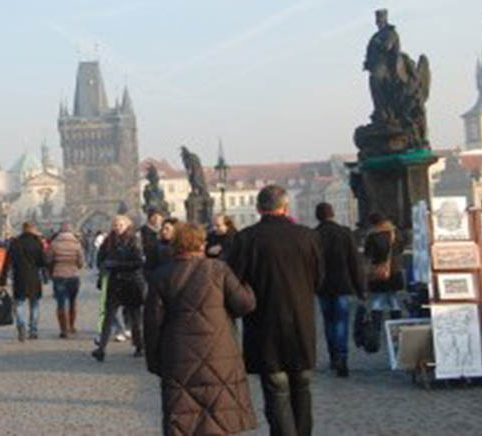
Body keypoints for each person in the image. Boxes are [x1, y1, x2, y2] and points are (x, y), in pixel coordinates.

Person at [145, 222, 258, 435]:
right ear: (201, 244)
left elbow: (152, 324)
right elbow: (244, 305)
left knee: (185, 417)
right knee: (219, 415)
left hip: (179, 354)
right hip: (219, 352)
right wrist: (248, 288)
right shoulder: (218, 269)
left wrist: (155, 361)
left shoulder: (161, 276)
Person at [228, 185, 322, 436]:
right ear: (285, 206)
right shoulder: (308, 236)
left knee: (276, 386)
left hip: (263, 323)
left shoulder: (246, 239)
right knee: (302, 384)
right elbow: (319, 279)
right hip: (301, 321)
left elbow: (233, 283)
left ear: (259, 209)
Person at [314, 202, 365, 377]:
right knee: (341, 322)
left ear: (317, 216)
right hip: (343, 284)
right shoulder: (345, 233)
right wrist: (361, 288)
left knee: (328, 322)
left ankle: (333, 356)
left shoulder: (314, 235)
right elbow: (355, 262)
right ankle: (343, 357)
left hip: (323, 286)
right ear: (333, 214)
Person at [92, 214, 145, 362]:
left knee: (135, 316)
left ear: (127, 225)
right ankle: (101, 348)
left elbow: (138, 262)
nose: (117, 227)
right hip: (114, 283)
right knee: (108, 316)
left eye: (120, 225)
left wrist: (115, 265)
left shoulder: (134, 240)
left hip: (131, 282)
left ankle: (139, 346)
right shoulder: (108, 241)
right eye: (115, 225)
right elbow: (100, 259)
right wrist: (103, 266)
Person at [0, 222, 46, 341]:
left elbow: (7, 262)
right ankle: (33, 330)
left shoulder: (15, 242)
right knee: (34, 304)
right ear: (33, 229)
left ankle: (21, 326)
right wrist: (45, 275)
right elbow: (42, 262)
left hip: (19, 277)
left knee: (19, 304)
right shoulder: (37, 243)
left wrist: (2, 280)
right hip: (34, 277)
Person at [364, 213, 404, 338]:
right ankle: (397, 329)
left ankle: (376, 330)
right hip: (395, 271)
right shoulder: (395, 233)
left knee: (377, 301)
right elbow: (401, 249)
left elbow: (368, 254)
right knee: (394, 300)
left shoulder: (373, 236)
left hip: (378, 273)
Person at [46, 222, 85, 338]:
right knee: (73, 302)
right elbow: (81, 262)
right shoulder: (77, 244)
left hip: (58, 275)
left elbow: (48, 260)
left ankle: (63, 329)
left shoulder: (54, 244)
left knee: (61, 303)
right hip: (73, 275)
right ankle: (72, 326)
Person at [140, 209, 164, 276]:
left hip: (161, 263)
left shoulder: (163, 231)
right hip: (148, 263)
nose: (157, 219)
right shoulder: (142, 231)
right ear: (149, 218)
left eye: (159, 217)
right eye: (154, 217)